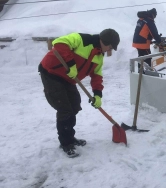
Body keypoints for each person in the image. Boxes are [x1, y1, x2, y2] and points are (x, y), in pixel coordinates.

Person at [38, 29, 120, 158]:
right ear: (103, 41)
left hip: (68, 79)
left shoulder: (99, 56)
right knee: (65, 109)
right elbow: (59, 42)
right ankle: (65, 143)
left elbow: (97, 75)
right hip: (51, 73)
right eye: (109, 47)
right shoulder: (82, 39)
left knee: (75, 105)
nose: (108, 50)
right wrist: (71, 64)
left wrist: (98, 94)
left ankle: (70, 138)